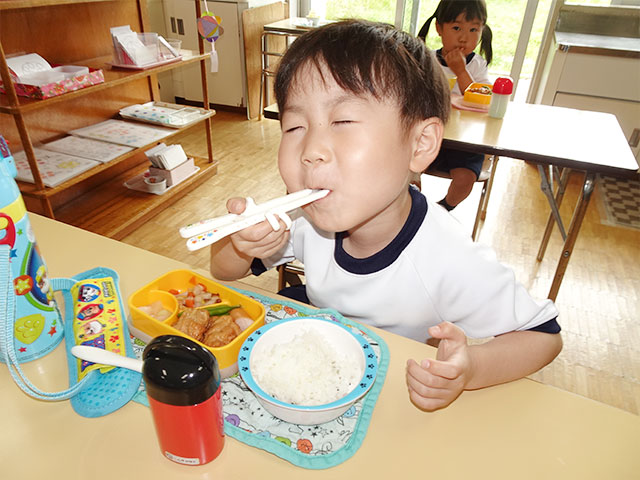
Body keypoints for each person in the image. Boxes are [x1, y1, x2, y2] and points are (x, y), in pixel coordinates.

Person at [210, 19, 562, 412]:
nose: (310, 149)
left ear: (420, 143)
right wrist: (241, 243)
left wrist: (470, 370)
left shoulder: (448, 256)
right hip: (314, 372)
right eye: (294, 126)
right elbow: (223, 272)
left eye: (342, 121)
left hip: (393, 395)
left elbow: (544, 337)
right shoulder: (306, 218)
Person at [416, 0, 493, 211]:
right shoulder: (427, 60)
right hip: (430, 136)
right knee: (407, 168)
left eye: (473, 29)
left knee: (466, 178)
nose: (464, 37)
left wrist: (460, 71)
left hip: (465, 142)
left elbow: (481, 99)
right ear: (439, 28)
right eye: (456, 27)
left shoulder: (477, 65)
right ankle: (412, 206)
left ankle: (443, 209)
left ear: (482, 31)